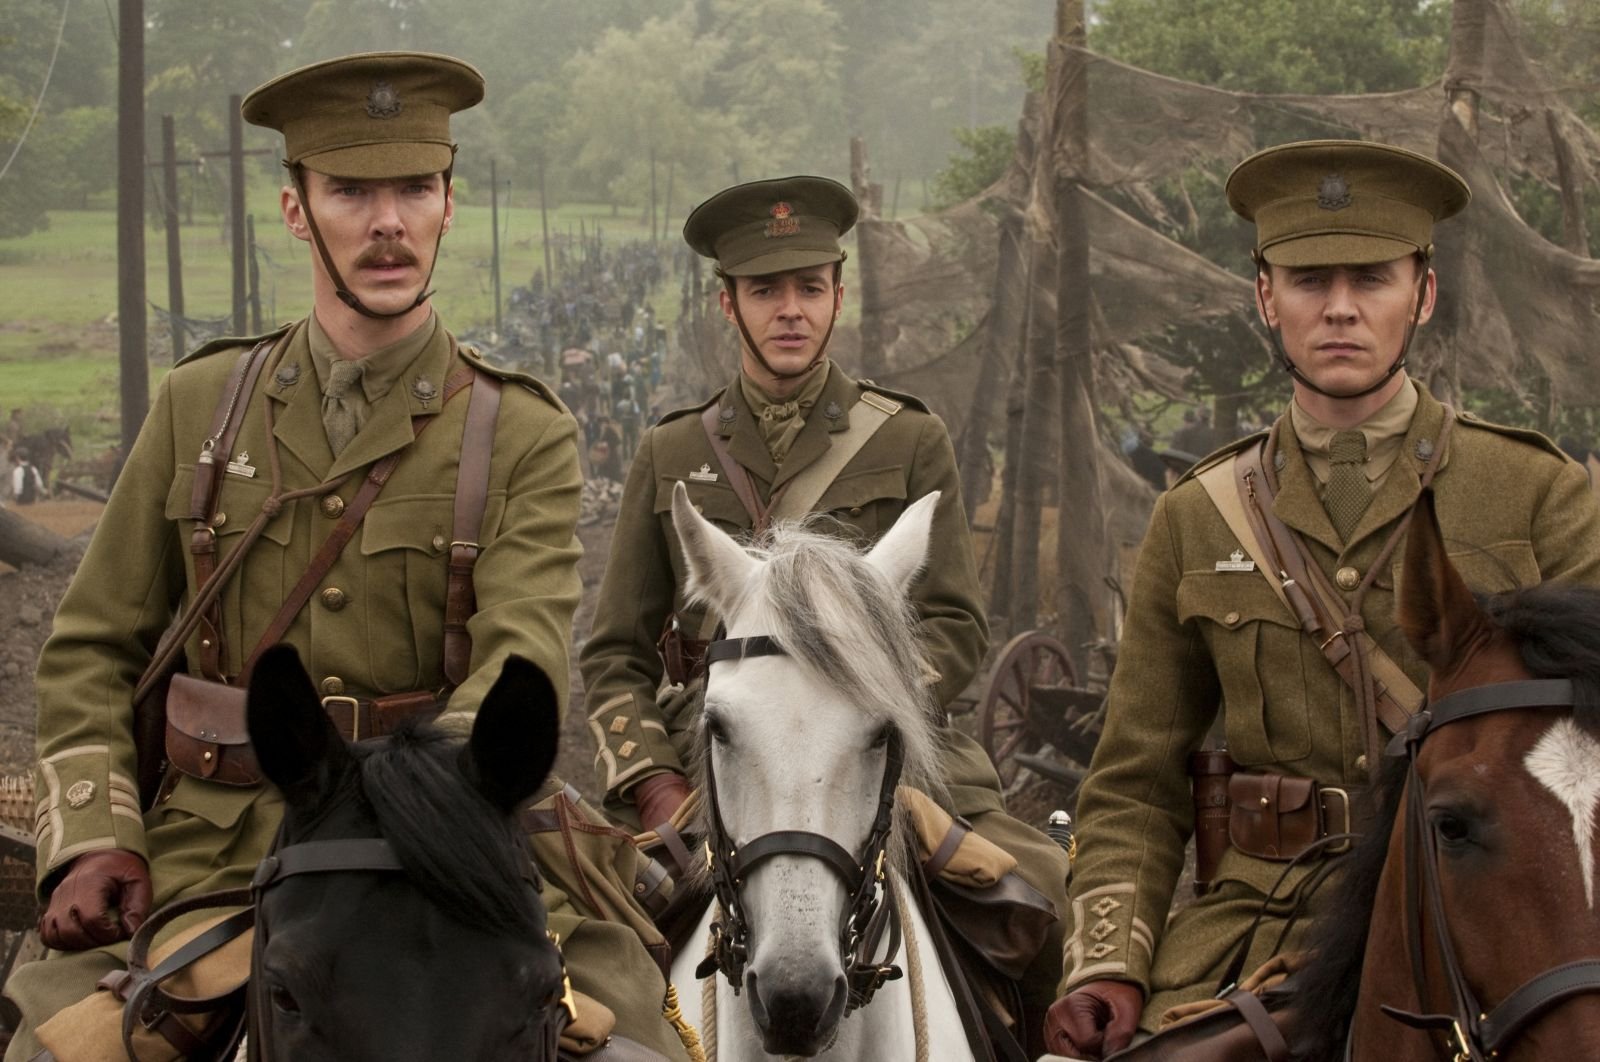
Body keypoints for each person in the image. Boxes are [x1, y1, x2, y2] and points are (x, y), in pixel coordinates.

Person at [5, 52, 686, 1061]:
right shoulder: (200, 406)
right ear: (296, 210)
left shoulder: (521, 432)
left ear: (448, 204)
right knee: (61, 1046)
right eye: (352, 192)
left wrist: (436, 807)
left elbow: (522, 654)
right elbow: (92, 648)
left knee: (638, 1043)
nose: (387, 223)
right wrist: (97, 837)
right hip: (214, 850)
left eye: (413, 189)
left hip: (455, 850)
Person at [1044, 139, 1600, 1058]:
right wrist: (1108, 964)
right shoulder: (1197, 516)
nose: (1340, 308)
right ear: (1266, 297)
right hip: (1252, 937)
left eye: (1372, 279)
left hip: (1490, 924)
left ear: (1423, 294)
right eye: (1308, 281)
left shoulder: (1535, 492)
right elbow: (1137, 783)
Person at [579, 175, 1071, 1031]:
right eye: (765, 291)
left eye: (810, 288)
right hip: (714, 754)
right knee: (581, 947)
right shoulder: (672, 450)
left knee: (1038, 901)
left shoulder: (908, 439)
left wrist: (865, 705)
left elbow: (955, 624)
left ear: (838, 296)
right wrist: (655, 780)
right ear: (728, 304)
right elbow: (614, 650)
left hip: (880, 750)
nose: (790, 311)